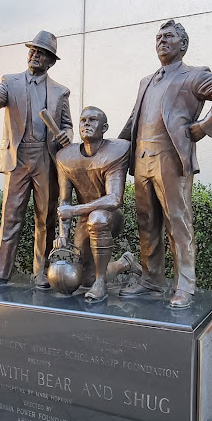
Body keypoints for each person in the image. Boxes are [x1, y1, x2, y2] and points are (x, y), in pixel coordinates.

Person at [118, 20, 212, 308]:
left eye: (169, 36)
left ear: (183, 44)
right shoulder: (146, 80)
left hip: (170, 158)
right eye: (159, 37)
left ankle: (185, 285)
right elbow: (133, 120)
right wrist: (115, 150)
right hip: (141, 158)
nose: (162, 41)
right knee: (147, 223)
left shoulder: (194, 75)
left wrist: (203, 126)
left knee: (178, 222)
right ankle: (150, 280)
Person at [0, 31, 73, 290]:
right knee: (10, 217)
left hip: (46, 160)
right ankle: (0, 272)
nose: (35, 55)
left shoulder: (60, 91)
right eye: (33, 50)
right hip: (18, 159)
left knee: (45, 219)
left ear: (51, 61)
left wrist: (66, 135)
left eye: (41, 53)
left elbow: (67, 125)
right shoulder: (10, 82)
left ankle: (41, 272)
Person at [53, 106, 141, 302]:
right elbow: (64, 201)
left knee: (98, 217)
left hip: (109, 215)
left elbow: (113, 199)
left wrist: (74, 210)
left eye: (92, 120)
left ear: (105, 127)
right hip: (84, 217)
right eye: (83, 120)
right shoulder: (66, 157)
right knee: (84, 279)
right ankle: (124, 263)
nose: (86, 123)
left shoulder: (116, 151)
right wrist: (62, 235)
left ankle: (100, 283)